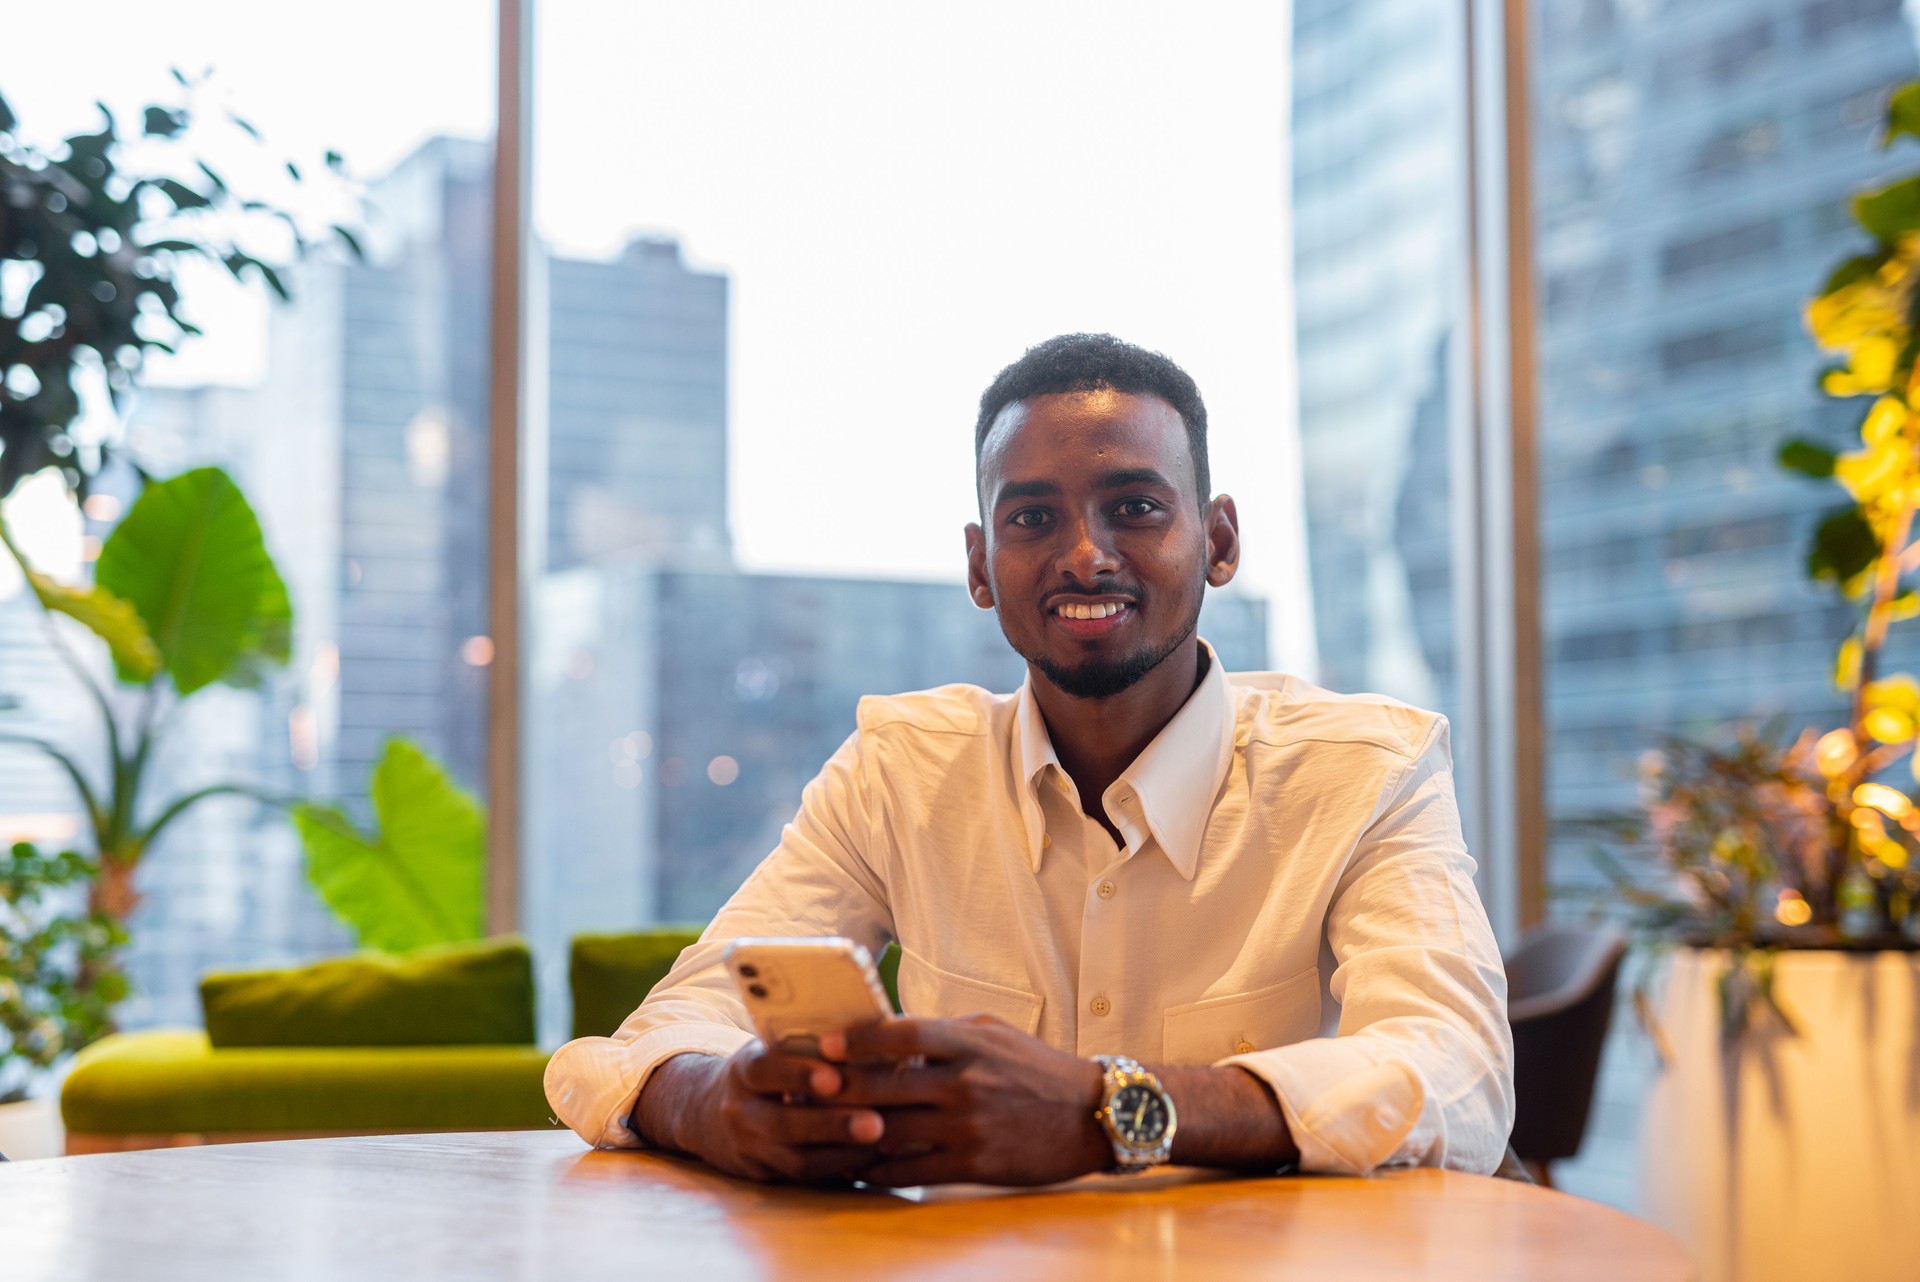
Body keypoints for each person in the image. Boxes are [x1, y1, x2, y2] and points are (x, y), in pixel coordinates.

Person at [544, 333, 1513, 1186]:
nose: (1085, 555)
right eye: (1032, 518)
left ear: (1217, 541)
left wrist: (1110, 1110)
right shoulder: (899, 772)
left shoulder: (1366, 770)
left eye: (1134, 507)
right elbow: (650, 1041)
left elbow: (1458, 1072)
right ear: (979, 565)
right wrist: (715, 1100)